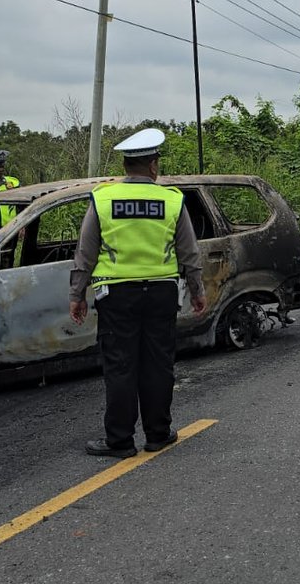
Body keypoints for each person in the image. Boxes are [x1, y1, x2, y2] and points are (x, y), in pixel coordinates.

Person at [70, 128, 207, 458]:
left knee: (121, 367)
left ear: (125, 165)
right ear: (153, 165)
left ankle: (120, 441)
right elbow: (189, 252)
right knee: (158, 364)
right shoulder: (172, 200)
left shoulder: (103, 199)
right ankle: (158, 434)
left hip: (117, 295)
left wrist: (77, 294)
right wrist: (197, 290)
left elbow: (85, 253)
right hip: (161, 293)